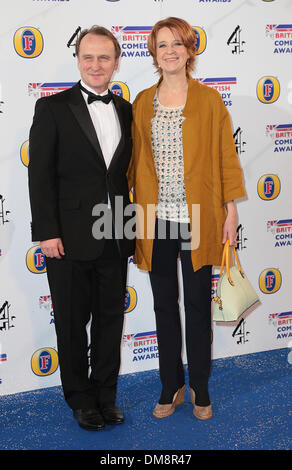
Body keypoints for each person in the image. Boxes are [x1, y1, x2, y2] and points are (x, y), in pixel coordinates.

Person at [128, 17, 245, 420]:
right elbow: (133, 163)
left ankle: (200, 387)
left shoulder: (210, 101)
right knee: (164, 305)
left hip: (200, 217)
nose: (170, 51)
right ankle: (170, 385)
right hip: (157, 218)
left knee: (196, 305)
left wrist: (230, 210)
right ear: (153, 53)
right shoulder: (142, 101)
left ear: (190, 50)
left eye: (177, 43)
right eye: (162, 45)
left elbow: (226, 158)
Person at [28, 26, 135, 430]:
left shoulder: (126, 109)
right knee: (72, 323)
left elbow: (126, 175)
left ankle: (106, 396)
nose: (95, 65)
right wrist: (47, 232)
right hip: (68, 237)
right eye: (88, 57)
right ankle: (80, 399)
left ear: (115, 62)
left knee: (111, 320)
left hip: (116, 229)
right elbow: (39, 177)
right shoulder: (52, 108)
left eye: (104, 58)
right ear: (77, 60)